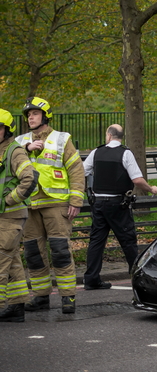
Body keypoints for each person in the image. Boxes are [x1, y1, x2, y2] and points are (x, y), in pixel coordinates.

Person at [15, 97, 85, 314]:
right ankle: (41, 297)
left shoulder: (62, 139)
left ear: (45, 116)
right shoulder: (19, 141)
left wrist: (75, 200)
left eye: (34, 114)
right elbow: (7, 159)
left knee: (60, 250)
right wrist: (27, 147)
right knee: (33, 254)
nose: (30, 118)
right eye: (28, 115)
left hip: (56, 203)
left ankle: (68, 298)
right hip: (29, 204)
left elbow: (76, 170)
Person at [82, 124, 157, 290]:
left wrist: (88, 189)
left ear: (109, 135)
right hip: (118, 204)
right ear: (120, 136)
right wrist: (151, 188)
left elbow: (82, 171)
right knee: (128, 241)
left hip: (99, 203)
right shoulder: (125, 153)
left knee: (96, 241)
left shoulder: (96, 152)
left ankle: (91, 279)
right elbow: (137, 180)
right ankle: (138, 277)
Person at [0, 110, 38, 323]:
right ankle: (16, 306)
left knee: (1, 262)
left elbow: (29, 179)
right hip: (4, 217)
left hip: (10, 216)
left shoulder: (14, 151)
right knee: (12, 261)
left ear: (7, 130)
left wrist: (8, 200)